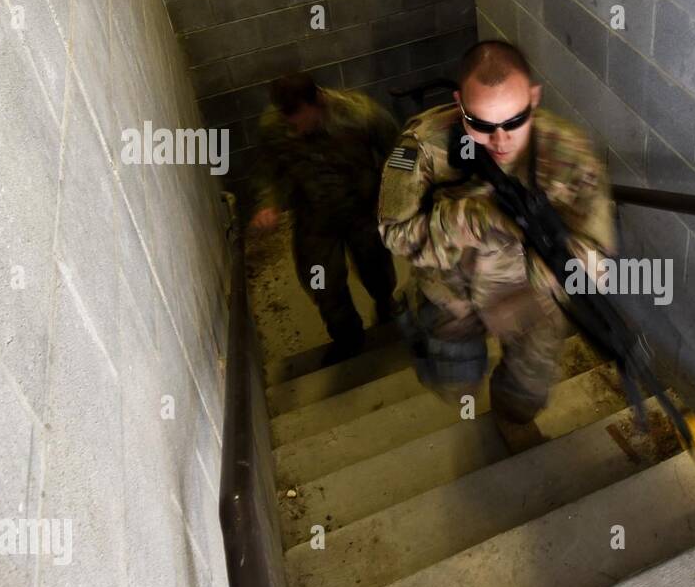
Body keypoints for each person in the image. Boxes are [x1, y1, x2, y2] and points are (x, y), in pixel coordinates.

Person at [377, 40, 615, 435]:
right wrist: (470, 218)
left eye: (515, 121)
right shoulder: (421, 148)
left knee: (527, 392)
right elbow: (395, 234)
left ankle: (511, 423)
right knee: (452, 380)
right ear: (460, 104)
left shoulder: (567, 151)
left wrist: (552, 267)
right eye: (482, 125)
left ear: (533, 99)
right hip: (452, 297)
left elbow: (597, 249)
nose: (500, 140)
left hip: (529, 300)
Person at [249, 72, 400, 365]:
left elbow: (399, 152)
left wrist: (396, 198)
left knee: (376, 268)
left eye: (300, 118)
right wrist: (269, 202)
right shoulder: (275, 126)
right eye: (287, 120)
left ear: (317, 101)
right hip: (315, 218)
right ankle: (347, 337)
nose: (294, 127)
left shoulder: (361, 115)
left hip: (363, 210)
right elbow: (269, 170)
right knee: (323, 283)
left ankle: (386, 304)